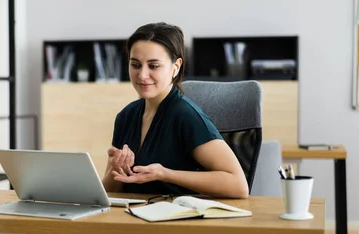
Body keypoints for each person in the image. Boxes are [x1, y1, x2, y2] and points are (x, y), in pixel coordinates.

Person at [101, 22, 249, 199]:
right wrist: (116, 169)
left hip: (178, 219)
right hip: (135, 217)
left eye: (153, 66)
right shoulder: (126, 116)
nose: (142, 75)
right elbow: (111, 192)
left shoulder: (185, 116)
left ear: (175, 67)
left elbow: (238, 185)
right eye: (136, 65)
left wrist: (165, 174)